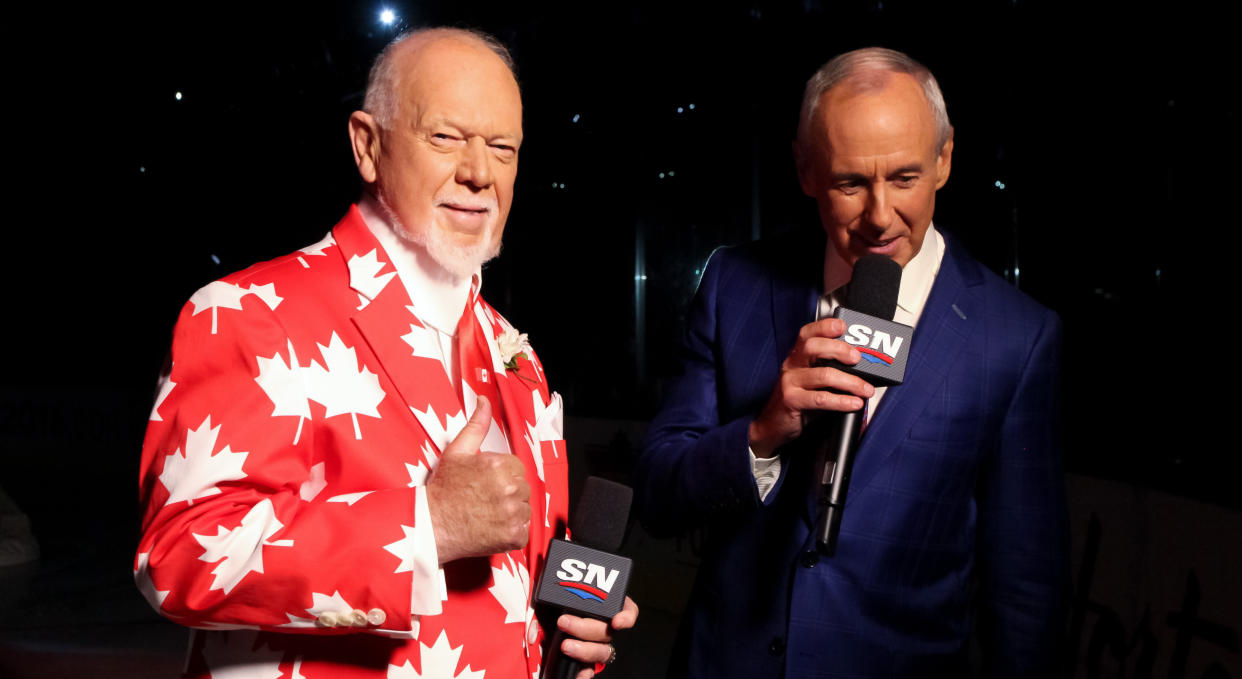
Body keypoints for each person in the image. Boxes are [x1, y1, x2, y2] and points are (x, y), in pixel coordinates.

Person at [136, 28, 635, 679]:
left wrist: (576, 623)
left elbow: (514, 590)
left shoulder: (519, 359)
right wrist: (427, 524)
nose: (479, 173)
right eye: (446, 137)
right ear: (367, 146)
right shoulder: (249, 311)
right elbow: (176, 559)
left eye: (503, 148)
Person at [636, 47, 1067, 677]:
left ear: (944, 161)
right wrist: (763, 432)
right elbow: (658, 495)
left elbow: (1026, 590)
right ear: (807, 170)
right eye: (850, 183)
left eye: (905, 178)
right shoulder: (736, 284)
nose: (880, 215)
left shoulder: (1017, 337)